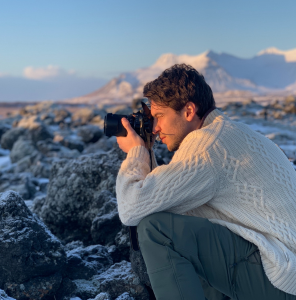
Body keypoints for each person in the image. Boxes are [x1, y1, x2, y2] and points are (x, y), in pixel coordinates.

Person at [115, 63, 296, 300]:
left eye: (159, 116)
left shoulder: (208, 146)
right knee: (186, 223)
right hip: (284, 266)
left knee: (157, 230)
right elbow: (171, 199)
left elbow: (132, 209)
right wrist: (147, 150)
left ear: (189, 111)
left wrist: (136, 154)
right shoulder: (229, 132)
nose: (156, 128)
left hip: (281, 274)